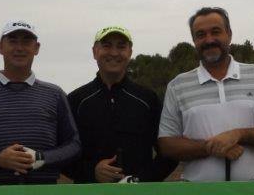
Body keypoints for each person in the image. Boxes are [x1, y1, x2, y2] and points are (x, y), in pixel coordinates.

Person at [158, 7, 254, 181]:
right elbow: (167, 145)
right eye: (201, 35)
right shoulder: (178, 85)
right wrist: (210, 147)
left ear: (229, 34)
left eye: (216, 32)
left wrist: (239, 135)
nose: (209, 40)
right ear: (194, 40)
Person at [0, 20, 80, 184]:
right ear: (0, 47)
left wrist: (41, 158)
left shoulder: (55, 94)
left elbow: (73, 145)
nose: (19, 48)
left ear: (36, 48)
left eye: (26, 41)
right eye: (12, 41)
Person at [66, 25, 176, 183]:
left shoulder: (147, 99)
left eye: (121, 46)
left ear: (130, 52)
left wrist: (140, 180)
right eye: (106, 46)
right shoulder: (77, 100)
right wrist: (92, 173)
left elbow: (168, 153)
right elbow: (63, 154)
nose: (114, 53)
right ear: (95, 51)